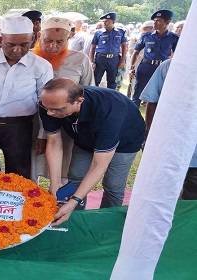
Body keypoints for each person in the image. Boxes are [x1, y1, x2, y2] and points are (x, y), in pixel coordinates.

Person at [39, 78, 145, 226]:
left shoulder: (108, 111)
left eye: (57, 109)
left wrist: (74, 200)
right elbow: (54, 143)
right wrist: (55, 183)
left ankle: (107, 222)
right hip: (85, 138)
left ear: (79, 101)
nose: (50, 113)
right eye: (46, 108)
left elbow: (98, 165)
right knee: (75, 177)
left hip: (124, 141)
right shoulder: (50, 104)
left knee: (113, 186)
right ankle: (75, 217)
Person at [0, 16, 53, 179]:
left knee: (18, 176)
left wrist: (42, 134)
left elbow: (45, 105)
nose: (17, 50)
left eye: (24, 45)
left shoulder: (41, 66)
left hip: (20, 128)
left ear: (33, 39)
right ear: (0, 39)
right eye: (11, 44)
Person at [31, 16, 95, 182]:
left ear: (69, 38)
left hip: (66, 125)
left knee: (64, 167)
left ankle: (60, 196)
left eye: (60, 42)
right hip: (33, 122)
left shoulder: (80, 59)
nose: (53, 46)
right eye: (48, 40)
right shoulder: (29, 58)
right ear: (39, 37)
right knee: (31, 166)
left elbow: (88, 92)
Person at [140, 59, 197, 200]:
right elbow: (152, 101)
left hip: (193, 155)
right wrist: (150, 135)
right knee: (161, 195)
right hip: (170, 146)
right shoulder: (169, 66)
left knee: (192, 199)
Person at [129, 10, 179, 107]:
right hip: (146, 67)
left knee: (159, 94)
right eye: (154, 20)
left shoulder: (173, 38)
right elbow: (136, 52)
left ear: (167, 22)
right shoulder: (146, 36)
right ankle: (132, 117)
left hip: (161, 68)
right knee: (138, 93)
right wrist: (131, 68)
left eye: (158, 21)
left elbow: (177, 55)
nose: (155, 23)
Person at [89, 12, 127, 89]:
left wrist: (122, 61)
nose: (105, 23)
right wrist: (92, 61)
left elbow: (124, 47)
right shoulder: (98, 32)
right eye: (104, 21)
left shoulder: (121, 32)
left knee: (112, 82)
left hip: (114, 59)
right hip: (100, 59)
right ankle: (95, 98)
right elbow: (92, 48)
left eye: (107, 21)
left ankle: (110, 99)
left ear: (113, 22)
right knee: (96, 80)